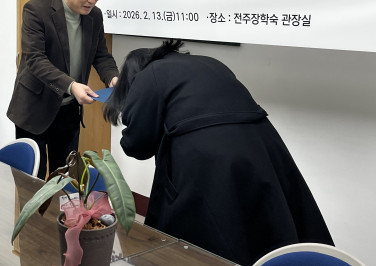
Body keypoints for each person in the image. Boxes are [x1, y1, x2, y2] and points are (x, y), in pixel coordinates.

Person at [103, 39, 333, 266]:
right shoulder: (210, 62)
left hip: (207, 156)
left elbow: (138, 145)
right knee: (266, 221)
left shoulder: (148, 75)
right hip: (261, 143)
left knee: (209, 238)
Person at [7, 0, 119, 179]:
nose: (93, 0)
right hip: (34, 108)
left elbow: (101, 56)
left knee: (65, 180)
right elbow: (35, 59)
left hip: (68, 110)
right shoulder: (36, 10)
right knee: (31, 181)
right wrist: (72, 85)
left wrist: (113, 78)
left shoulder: (94, 16)